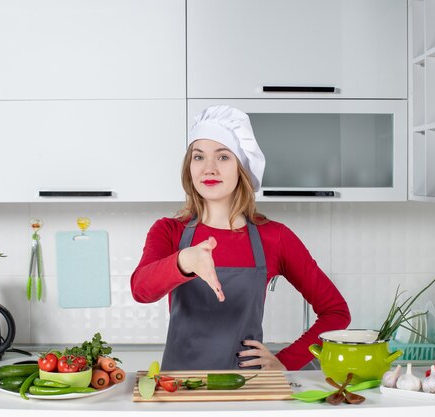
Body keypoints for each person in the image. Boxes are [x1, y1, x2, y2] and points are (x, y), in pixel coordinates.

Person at [130, 105, 350, 371]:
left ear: (242, 168)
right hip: (180, 389)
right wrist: (184, 260)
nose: (208, 169)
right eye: (198, 157)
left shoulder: (275, 237)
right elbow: (141, 290)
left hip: (249, 390)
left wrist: (285, 362)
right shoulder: (169, 231)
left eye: (223, 157)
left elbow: (336, 313)